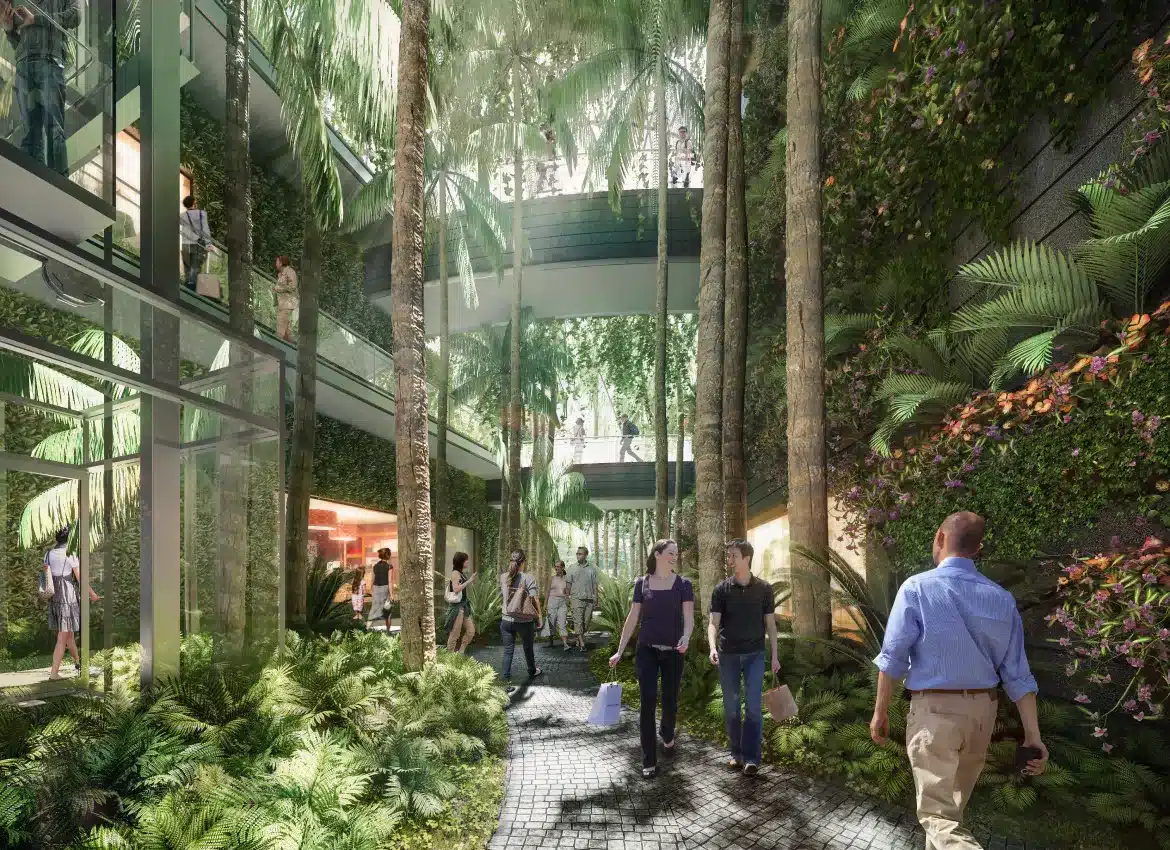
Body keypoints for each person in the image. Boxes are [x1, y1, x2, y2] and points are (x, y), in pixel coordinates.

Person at [871, 512, 1048, 850]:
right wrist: (1033, 736)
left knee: (938, 816)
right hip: (982, 715)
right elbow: (1018, 675)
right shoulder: (1002, 599)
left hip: (935, 713)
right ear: (977, 548)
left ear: (939, 537)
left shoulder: (917, 588)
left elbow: (893, 658)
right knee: (951, 813)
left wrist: (880, 712)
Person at [609, 539, 694, 778]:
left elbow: (688, 617)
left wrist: (686, 636)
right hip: (646, 650)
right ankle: (648, 760)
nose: (674, 557)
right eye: (670, 553)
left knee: (670, 701)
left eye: (676, 553)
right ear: (657, 554)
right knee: (647, 702)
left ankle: (667, 733)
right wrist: (619, 650)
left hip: (674, 651)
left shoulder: (683, 584)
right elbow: (632, 617)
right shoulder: (642, 583)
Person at [708, 539, 780, 776]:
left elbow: (770, 624)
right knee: (731, 708)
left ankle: (752, 759)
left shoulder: (764, 589)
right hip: (728, 655)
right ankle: (736, 754)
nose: (729, 560)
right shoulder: (721, 590)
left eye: (734, 556)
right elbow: (713, 623)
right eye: (728, 555)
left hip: (755, 655)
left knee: (753, 707)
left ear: (747, 558)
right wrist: (712, 647)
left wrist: (775, 656)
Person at [3, 0, 78, 176]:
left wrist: (36, 19)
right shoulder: (21, 2)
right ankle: (32, 182)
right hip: (24, 66)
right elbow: (20, 44)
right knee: (30, 132)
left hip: (50, 62)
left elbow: (76, 16)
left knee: (54, 128)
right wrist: (9, 30)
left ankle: (58, 183)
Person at [43, 526, 99, 680]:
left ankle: (79, 663)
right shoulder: (70, 554)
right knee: (62, 638)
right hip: (67, 596)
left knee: (69, 636)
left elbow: (47, 574)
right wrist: (92, 594)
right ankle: (54, 673)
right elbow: (81, 579)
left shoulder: (48, 554)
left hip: (54, 596)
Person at [499, 548, 543, 693]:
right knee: (528, 647)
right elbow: (535, 598)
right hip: (524, 621)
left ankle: (505, 682)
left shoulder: (503, 577)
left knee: (508, 651)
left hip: (506, 620)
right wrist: (539, 617)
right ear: (523, 562)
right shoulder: (528, 578)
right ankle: (532, 670)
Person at [566, 545, 599, 651]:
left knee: (586, 622)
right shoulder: (571, 568)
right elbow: (568, 585)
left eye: (580, 554)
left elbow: (595, 585)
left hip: (589, 599)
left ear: (586, 555)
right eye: (577, 553)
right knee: (578, 621)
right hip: (576, 599)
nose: (577, 555)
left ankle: (578, 639)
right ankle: (582, 644)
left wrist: (596, 598)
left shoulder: (592, 569)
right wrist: (567, 598)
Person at [444, 551, 477, 653]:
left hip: (464, 606)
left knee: (471, 631)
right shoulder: (455, 573)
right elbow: (456, 589)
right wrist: (469, 581)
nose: (467, 562)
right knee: (455, 634)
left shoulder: (461, 573)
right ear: (461, 562)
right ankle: (450, 656)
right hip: (457, 608)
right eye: (466, 560)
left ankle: (461, 652)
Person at [179, 195, 211, 293]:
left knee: (187, 266)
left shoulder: (181, 216)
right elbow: (205, 229)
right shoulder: (202, 214)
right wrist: (208, 243)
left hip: (185, 243)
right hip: (197, 243)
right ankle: (192, 288)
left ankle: (187, 286)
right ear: (194, 203)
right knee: (195, 266)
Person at [545, 560, 570, 650]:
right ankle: (551, 642)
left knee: (562, 624)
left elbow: (569, 591)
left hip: (562, 602)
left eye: (558, 566)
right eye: (555, 566)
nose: (556, 568)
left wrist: (567, 596)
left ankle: (565, 644)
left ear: (563, 567)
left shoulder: (567, 578)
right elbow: (547, 591)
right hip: (552, 601)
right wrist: (545, 604)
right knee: (552, 623)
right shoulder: (552, 578)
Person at [274, 256, 299, 342]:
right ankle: (292, 346)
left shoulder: (290, 272)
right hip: (282, 303)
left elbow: (293, 286)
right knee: (287, 331)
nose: (276, 263)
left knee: (281, 325)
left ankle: (275, 344)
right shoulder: (281, 274)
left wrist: (279, 289)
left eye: (277, 261)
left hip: (288, 304)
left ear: (281, 263)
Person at [367, 548, 393, 630]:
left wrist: (371, 589)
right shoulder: (389, 566)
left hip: (375, 588)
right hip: (384, 588)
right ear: (388, 555)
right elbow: (390, 581)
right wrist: (392, 594)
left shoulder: (375, 566)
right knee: (387, 609)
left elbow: (372, 579)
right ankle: (388, 631)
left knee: (373, 609)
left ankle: (367, 628)